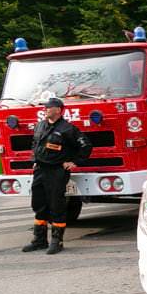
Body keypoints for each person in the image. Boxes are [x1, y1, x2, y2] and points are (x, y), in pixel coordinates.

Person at [22, 98, 92, 255]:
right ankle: (39, 240)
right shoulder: (40, 125)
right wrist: (34, 160)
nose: (46, 109)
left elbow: (85, 146)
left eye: (49, 107)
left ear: (59, 110)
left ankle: (56, 241)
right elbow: (35, 144)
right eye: (45, 107)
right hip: (40, 170)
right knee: (39, 204)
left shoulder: (68, 129)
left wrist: (74, 162)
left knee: (56, 205)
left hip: (56, 171)